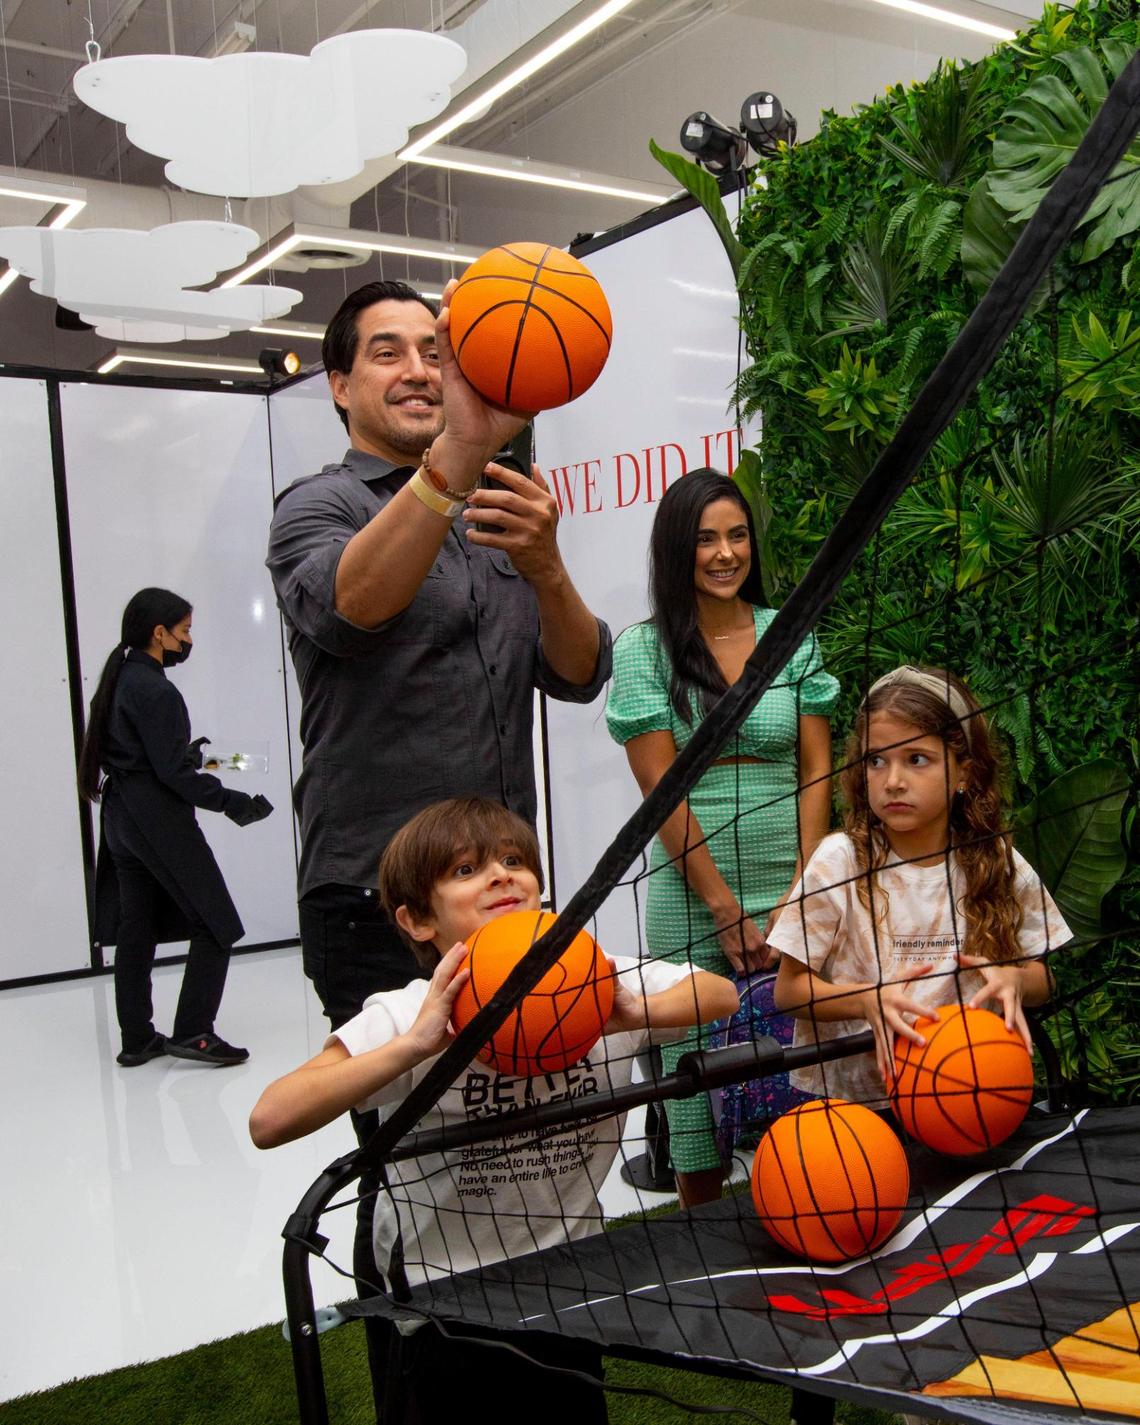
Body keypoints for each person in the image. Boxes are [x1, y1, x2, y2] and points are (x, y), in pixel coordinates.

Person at [250, 796, 737, 1425]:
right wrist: (414, 1047)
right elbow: (270, 1118)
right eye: (464, 870)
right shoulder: (407, 1013)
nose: (501, 875)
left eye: (513, 860)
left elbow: (719, 993)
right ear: (419, 920)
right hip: (443, 1301)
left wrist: (634, 1013)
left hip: (571, 1278)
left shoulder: (591, 979)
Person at [265, 277, 611, 1025]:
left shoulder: (499, 500)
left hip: (501, 884)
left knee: (521, 1117)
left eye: (435, 351)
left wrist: (547, 566)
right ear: (338, 386)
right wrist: (458, 450)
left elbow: (580, 674)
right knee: (405, 1128)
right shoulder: (317, 506)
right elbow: (351, 608)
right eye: (387, 354)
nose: (420, 371)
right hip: (377, 899)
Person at [604, 469, 838, 1209]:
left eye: (737, 535)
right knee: (689, 1078)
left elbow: (817, 766)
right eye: (706, 538)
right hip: (687, 896)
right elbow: (661, 789)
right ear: (677, 549)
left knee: (808, 1061)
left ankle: (813, 1202)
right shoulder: (644, 651)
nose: (726, 552)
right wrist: (722, 906)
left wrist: (808, 887)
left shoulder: (789, 632)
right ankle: (702, 1233)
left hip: (792, 884)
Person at [770, 665, 1070, 1103]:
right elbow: (789, 991)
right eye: (877, 760)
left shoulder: (997, 861)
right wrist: (865, 999)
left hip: (970, 1094)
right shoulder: (840, 861)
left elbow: (1042, 978)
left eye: (916, 759)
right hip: (856, 1104)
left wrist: (1014, 982)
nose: (893, 781)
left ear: (964, 773)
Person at [79, 588, 273, 1067]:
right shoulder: (155, 689)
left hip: (122, 817)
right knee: (216, 925)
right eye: (184, 631)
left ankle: (138, 1037)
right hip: (155, 818)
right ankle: (193, 1032)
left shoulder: (120, 679)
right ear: (158, 633)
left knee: (136, 926)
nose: (189, 640)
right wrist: (234, 801)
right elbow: (172, 774)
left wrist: (231, 762)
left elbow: (156, 759)